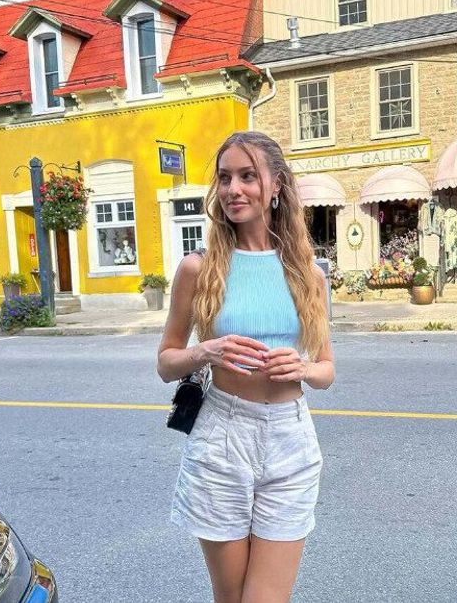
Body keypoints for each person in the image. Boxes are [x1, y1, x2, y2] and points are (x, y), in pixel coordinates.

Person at [157, 131, 334, 603]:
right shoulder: (199, 268)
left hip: (289, 440)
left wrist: (301, 367)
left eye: (248, 176)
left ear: (275, 185)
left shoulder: (308, 273)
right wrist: (205, 352)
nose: (234, 189)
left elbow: (327, 369)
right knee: (230, 598)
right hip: (222, 435)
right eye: (225, 178)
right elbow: (166, 361)